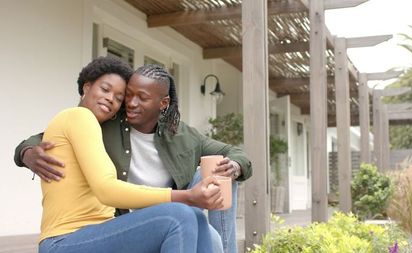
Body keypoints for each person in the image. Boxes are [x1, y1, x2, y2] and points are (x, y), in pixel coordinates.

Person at [14, 64, 252, 253]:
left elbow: (236, 153)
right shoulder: (94, 121)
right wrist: (27, 152)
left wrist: (233, 166)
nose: (126, 103)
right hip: (79, 234)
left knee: (195, 218)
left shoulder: (181, 135)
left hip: (114, 228)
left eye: (120, 96)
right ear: (86, 87)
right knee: (180, 214)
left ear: (163, 103)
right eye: (125, 96)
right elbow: (46, 139)